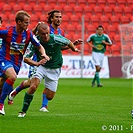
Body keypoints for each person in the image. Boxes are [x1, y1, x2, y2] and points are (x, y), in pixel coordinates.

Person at [9, 10, 82, 112]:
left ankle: (44, 105)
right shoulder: (44, 28)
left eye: (60, 17)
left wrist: (72, 45)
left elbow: (58, 47)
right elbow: (32, 38)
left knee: (48, 91)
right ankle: (16, 92)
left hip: (52, 63)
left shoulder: (60, 32)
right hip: (38, 60)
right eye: (56, 17)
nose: (59, 19)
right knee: (32, 84)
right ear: (51, 19)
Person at [0, 10, 50, 115]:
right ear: (19, 22)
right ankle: (1, 104)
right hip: (4, 60)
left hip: (17, 64)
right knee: (12, 77)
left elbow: (39, 46)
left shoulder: (28, 34)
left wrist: (44, 54)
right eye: (26, 22)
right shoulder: (7, 31)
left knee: (2, 83)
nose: (28, 24)